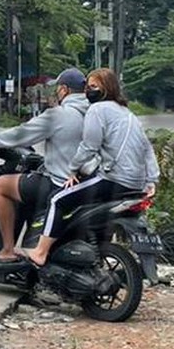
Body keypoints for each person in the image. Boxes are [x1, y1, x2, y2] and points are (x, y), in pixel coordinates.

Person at [19, 68, 158, 268]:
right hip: (135, 184)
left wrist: (72, 170)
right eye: (87, 87)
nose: (88, 92)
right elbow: (146, 148)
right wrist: (151, 179)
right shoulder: (127, 113)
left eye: (93, 87)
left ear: (106, 89)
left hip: (114, 179)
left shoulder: (97, 110)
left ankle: (40, 252)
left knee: (58, 199)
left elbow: (89, 146)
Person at [0, 68, 90, 259]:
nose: (56, 92)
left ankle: (7, 250)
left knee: (0, 185)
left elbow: (22, 134)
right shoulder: (96, 112)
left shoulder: (59, 114)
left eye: (57, 88)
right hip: (90, 183)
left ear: (64, 90)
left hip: (59, 182)